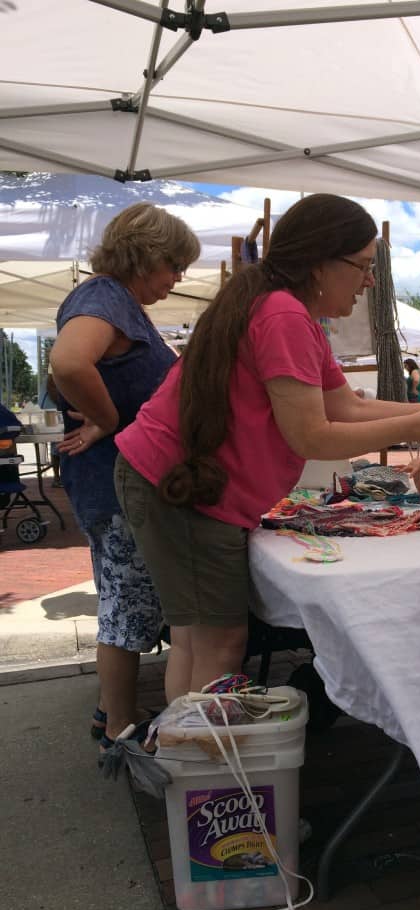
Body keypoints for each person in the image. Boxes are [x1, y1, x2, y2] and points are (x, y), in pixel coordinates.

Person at [114, 194, 420, 700]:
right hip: (181, 487)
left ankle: (188, 763)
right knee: (219, 641)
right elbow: (311, 435)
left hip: (175, 480)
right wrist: (414, 425)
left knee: (196, 637)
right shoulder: (284, 316)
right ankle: (203, 762)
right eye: (363, 266)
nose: (370, 281)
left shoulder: (287, 312)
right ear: (320, 264)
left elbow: (346, 406)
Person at [49, 202, 201, 754]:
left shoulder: (114, 301)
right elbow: (68, 363)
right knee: (127, 605)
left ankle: (113, 709)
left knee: (126, 599)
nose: (178, 278)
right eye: (174, 266)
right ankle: (118, 730)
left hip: (119, 482)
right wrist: (108, 419)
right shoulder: (103, 298)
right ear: (148, 255)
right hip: (117, 485)